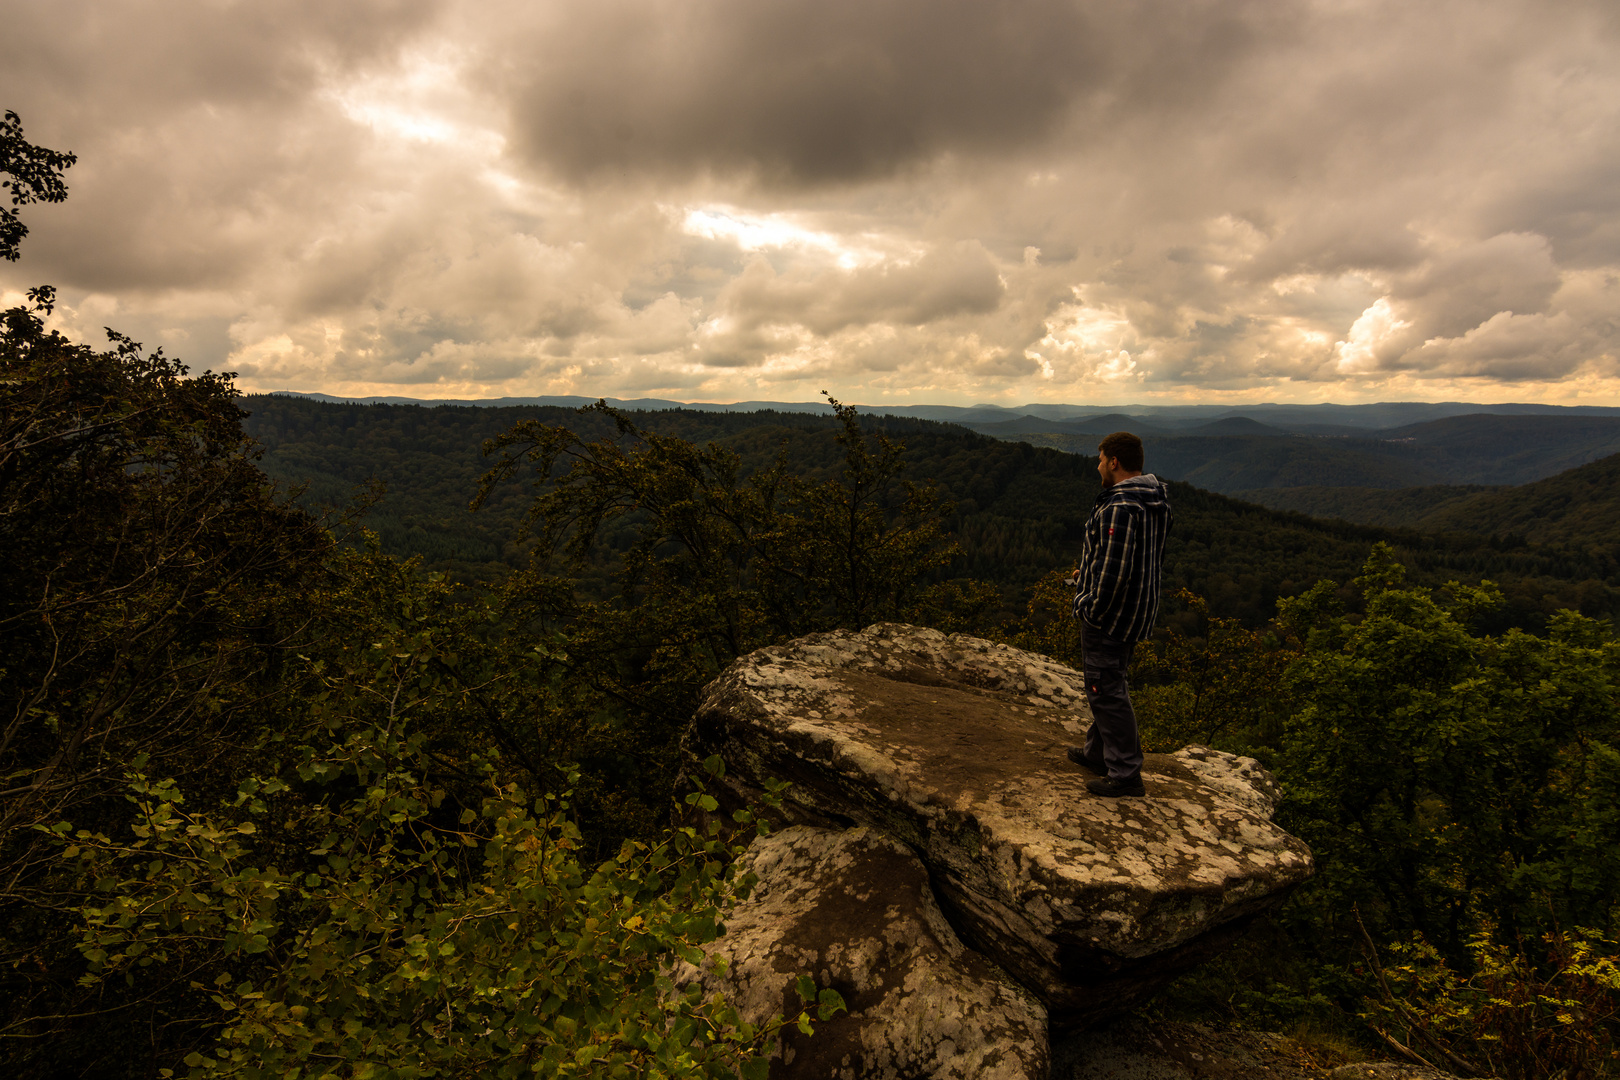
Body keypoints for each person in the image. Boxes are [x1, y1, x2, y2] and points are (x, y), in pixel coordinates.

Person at [1065, 431, 1171, 797]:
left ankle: (1126, 773)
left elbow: (1115, 574)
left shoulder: (1120, 507)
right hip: (1136, 612)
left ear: (1114, 462)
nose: (1097, 465)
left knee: (1105, 689)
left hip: (1110, 619)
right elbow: (1134, 557)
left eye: (1100, 459)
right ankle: (1099, 753)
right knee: (1107, 685)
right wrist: (1088, 571)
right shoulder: (1153, 500)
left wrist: (1087, 604)